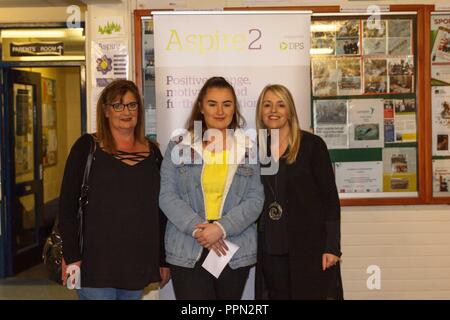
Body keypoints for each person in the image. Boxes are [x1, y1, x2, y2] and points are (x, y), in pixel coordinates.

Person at [59, 80, 170, 300]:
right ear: (106, 111)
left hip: (137, 261)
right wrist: (72, 256)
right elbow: (67, 205)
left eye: (132, 105)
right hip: (93, 262)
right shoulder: (87, 147)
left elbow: (161, 212)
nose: (126, 112)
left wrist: (162, 259)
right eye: (118, 106)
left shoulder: (153, 153)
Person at [159, 76, 264, 300]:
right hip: (188, 246)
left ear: (234, 108)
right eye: (212, 103)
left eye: (227, 104)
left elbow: (255, 199)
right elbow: (167, 196)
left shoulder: (247, 148)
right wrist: (200, 230)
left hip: (232, 247)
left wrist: (221, 228)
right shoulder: (179, 145)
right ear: (201, 107)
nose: (220, 111)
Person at [255, 84, 343, 300]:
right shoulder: (256, 150)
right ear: (260, 111)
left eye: (280, 104)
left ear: (290, 110)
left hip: (309, 247)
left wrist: (332, 246)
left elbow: (330, 200)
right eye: (267, 105)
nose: (273, 110)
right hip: (270, 249)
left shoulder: (312, 145)